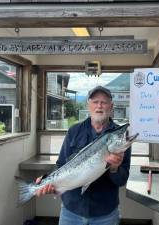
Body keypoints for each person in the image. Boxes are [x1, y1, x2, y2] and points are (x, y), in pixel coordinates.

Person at [36, 86, 131, 225]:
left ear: (111, 106)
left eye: (104, 102)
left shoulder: (120, 138)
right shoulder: (74, 131)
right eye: (95, 101)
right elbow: (62, 165)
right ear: (88, 105)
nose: (99, 106)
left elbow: (122, 180)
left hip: (105, 213)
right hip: (71, 211)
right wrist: (47, 180)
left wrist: (114, 168)